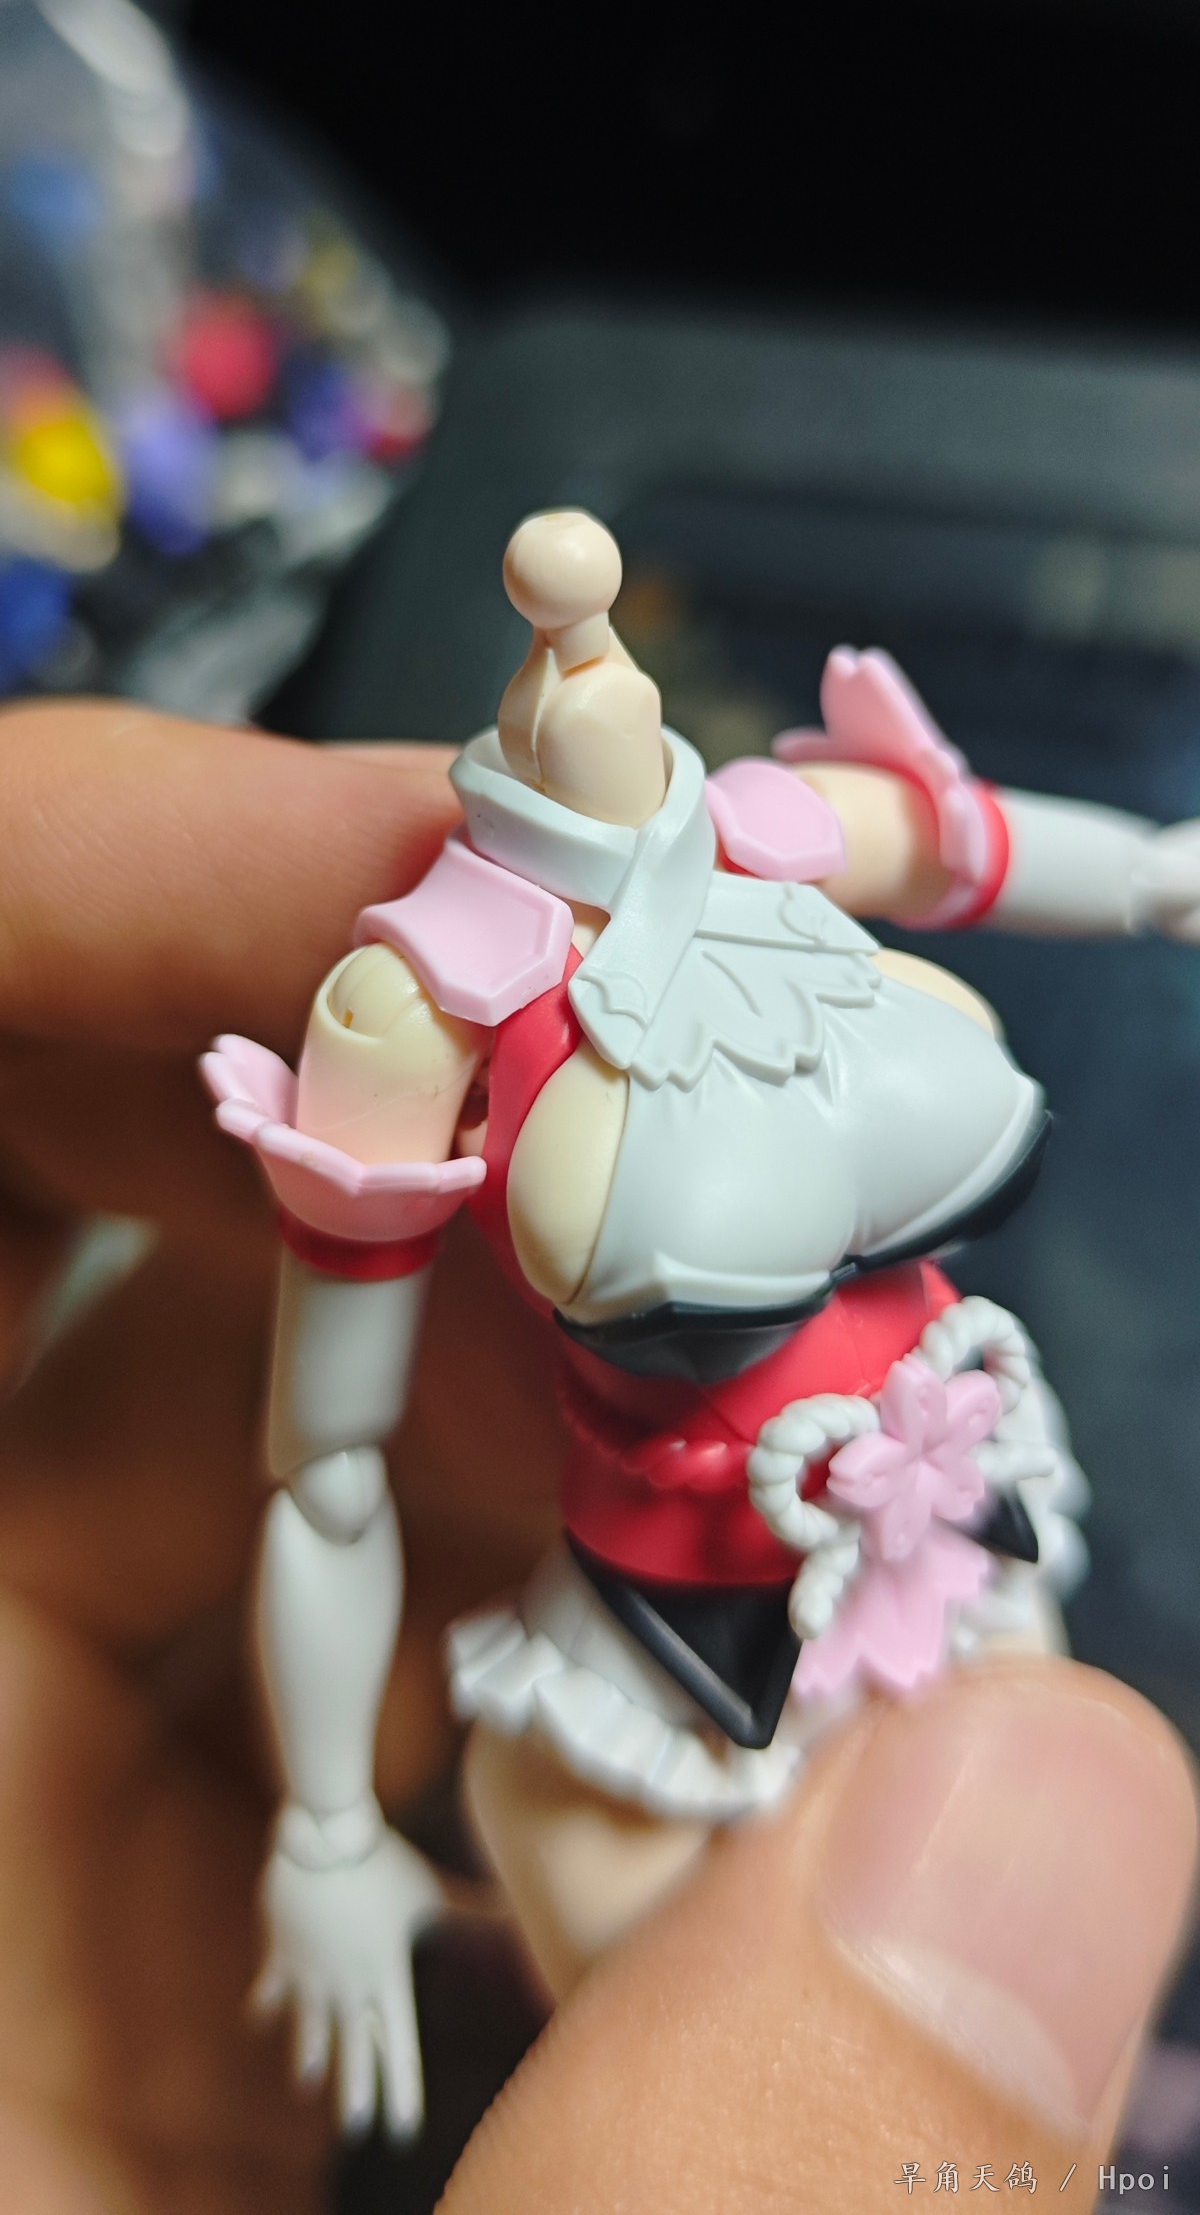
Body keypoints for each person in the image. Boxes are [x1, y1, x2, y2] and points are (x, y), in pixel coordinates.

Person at [0, 692, 1193, 2212]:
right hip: (669, 1620)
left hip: (941, 1495)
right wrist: (328, 1826)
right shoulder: (414, 1010)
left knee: (1036, 1806)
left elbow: (998, 848)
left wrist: (1156, 871)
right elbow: (332, 1470)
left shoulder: (778, 836)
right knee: (676, 1986)